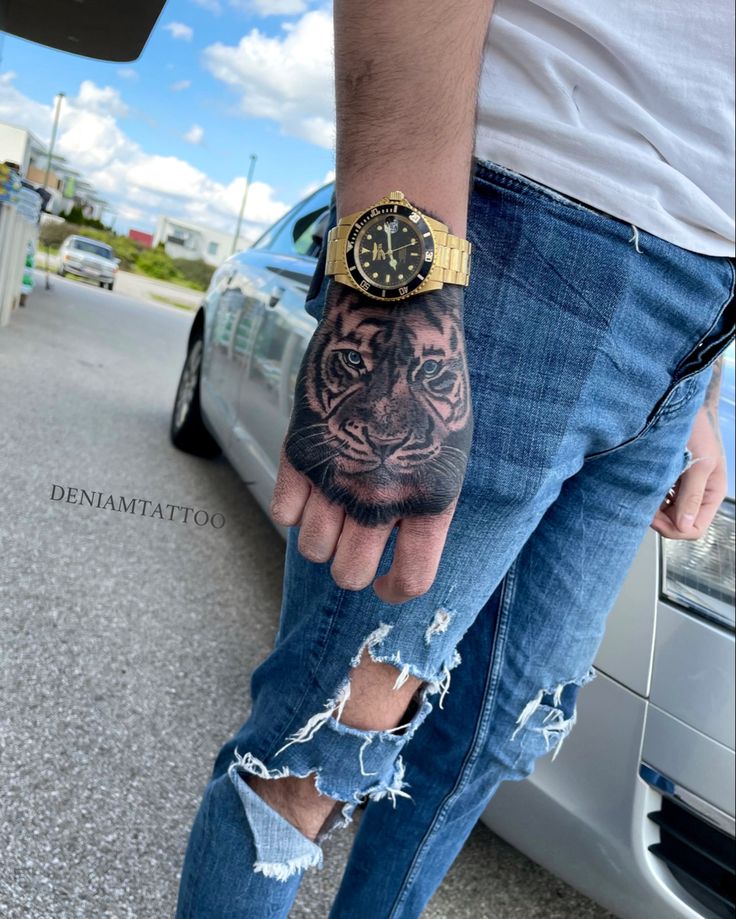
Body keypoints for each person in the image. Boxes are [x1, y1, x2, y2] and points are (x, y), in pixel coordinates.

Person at [176, 1, 735, 916]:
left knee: (493, 735)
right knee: (317, 749)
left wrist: (699, 394)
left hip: (693, 332)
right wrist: (396, 285)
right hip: (532, 236)